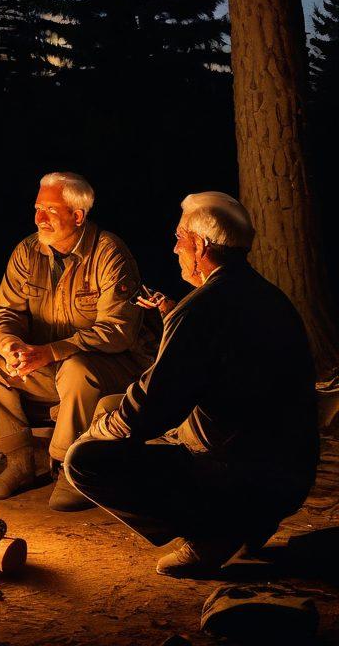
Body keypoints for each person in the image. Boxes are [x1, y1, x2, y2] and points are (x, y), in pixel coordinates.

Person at [63, 192, 319, 578]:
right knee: (112, 406)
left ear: (200, 245)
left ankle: (213, 532)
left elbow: (154, 406)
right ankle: (248, 522)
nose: (175, 248)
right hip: (289, 470)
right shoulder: (267, 296)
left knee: (83, 461)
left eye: (180, 238)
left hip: (241, 472)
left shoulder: (202, 308)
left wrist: (97, 433)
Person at [0, 172, 151, 510]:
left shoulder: (110, 253)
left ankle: (71, 468)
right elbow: (4, 311)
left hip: (109, 367)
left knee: (76, 369)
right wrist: (11, 346)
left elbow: (118, 330)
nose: (39, 218)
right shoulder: (27, 252)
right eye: (38, 208)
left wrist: (51, 351)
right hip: (47, 365)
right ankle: (20, 461)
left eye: (50, 210)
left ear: (77, 216)